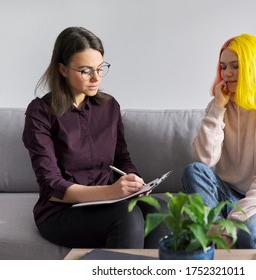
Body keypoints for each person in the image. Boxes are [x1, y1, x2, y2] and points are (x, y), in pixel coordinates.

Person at [22, 26, 166, 249]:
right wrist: (111, 191)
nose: (96, 78)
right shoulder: (40, 112)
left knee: (160, 209)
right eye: (86, 70)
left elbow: (122, 158)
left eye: (100, 68)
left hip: (109, 201)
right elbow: (51, 186)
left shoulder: (109, 106)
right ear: (63, 70)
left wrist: (133, 182)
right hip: (63, 210)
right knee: (127, 219)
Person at [182, 34, 256, 249]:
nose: (226, 74)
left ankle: (217, 240)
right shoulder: (219, 105)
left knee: (252, 233)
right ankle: (213, 239)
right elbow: (204, 160)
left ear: (254, 67)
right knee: (193, 170)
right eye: (223, 67)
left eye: (235, 66)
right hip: (230, 191)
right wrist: (218, 107)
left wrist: (234, 222)